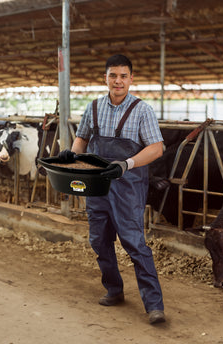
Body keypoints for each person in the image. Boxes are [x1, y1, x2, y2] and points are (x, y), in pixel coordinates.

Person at [58, 54, 165, 325]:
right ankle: (114, 289)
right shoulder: (93, 107)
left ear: (131, 79)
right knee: (99, 240)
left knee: (134, 243)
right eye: (113, 75)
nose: (118, 81)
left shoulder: (143, 110)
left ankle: (154, 305)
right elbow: (82, 139)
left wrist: (127, 164)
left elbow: (156, 148)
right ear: (105, 78)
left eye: (123, 76)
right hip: (97, 186)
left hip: (127, 187)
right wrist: (71, 156)